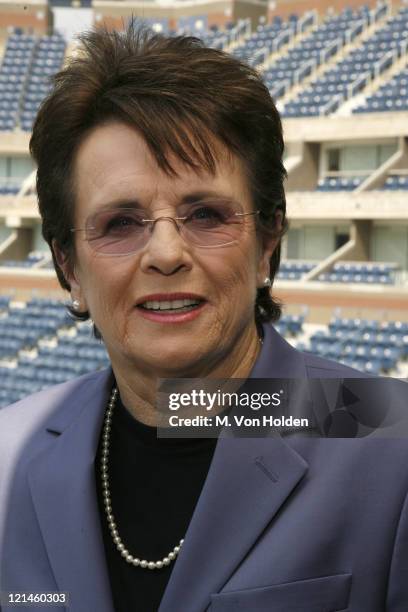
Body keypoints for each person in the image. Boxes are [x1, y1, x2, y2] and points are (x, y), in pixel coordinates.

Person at [0, 20, 407, 612]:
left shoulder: (391, 437)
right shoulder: (10, 454)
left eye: (206, 215)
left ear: (267, 242)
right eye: (120, 223)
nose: (166, 254)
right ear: (70, 268)